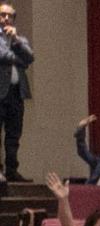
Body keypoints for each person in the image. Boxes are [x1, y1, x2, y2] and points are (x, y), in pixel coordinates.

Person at [0, 3, 32, 182]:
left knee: (14, 133)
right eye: (2, 15)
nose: (5, 18)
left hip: (16, 93)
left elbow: (30, 58)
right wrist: (19, 58)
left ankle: (12, 170)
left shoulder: (20, 39)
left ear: (13, 19)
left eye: (9, 16)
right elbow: (4, 56)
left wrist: (17, 41)